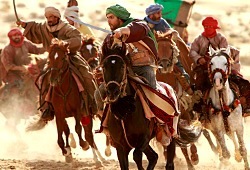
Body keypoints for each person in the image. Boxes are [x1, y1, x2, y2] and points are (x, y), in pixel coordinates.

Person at [16, 6, 97, 122]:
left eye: (51, 17)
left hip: (70, 57)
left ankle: (91, 104)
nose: (49, 19)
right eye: (47, 17)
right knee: (42, 78)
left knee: (87, 75)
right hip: (53, 59)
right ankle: (46, 108)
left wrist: (64, 43)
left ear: (57, 17)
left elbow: (77, 39)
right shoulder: (45, 27)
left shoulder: (67, 28)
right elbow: (35, 27)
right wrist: (24, 24)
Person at [190, 16, 250, 115]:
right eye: (206, 26)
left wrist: (216, 59)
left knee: (240, 82)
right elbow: (192, 51)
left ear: (215, 28)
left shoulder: (221, 38)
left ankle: (244, 106)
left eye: (210, 26)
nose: (208, 28)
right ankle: (199, 108)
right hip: (204, 67)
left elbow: (224, 51)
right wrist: (199, 58)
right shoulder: (198, 39)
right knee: (198, 85)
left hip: (221, 66)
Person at [144, 3, 193, 95]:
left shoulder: (162, 22)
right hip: (148, 53)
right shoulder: (143, 24)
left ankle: (186, 84)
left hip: (164, 51)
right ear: (151, 15)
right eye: (158, 13)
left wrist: (173, 33)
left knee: (175, 57)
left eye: (160, 13)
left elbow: (170, 32)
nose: (160, 15)